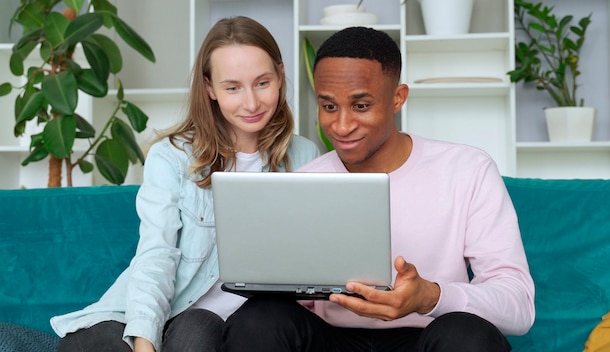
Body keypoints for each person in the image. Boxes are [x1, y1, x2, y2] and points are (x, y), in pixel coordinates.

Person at [222, 26, 535, 352]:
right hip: (332, 339)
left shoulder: (467, 169)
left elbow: (519, 306)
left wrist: (430, 296)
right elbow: (291, 311)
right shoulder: (306, 180)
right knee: (257, 320)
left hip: (427, 339)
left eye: (360, 106)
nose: (341, 126)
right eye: (329, 106)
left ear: (398, 98)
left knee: (468, 336)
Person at [50, 16, 319, 352]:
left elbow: (311, 269)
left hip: (220, 326)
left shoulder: (306, 156)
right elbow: (156, 256)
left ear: (280, 76)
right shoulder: (171, 157)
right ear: (210, 88)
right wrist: (145, 343)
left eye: (262, 83)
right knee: (95, 344)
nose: (251, 103)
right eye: (232, 87)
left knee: (197, 329)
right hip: (144, 312)